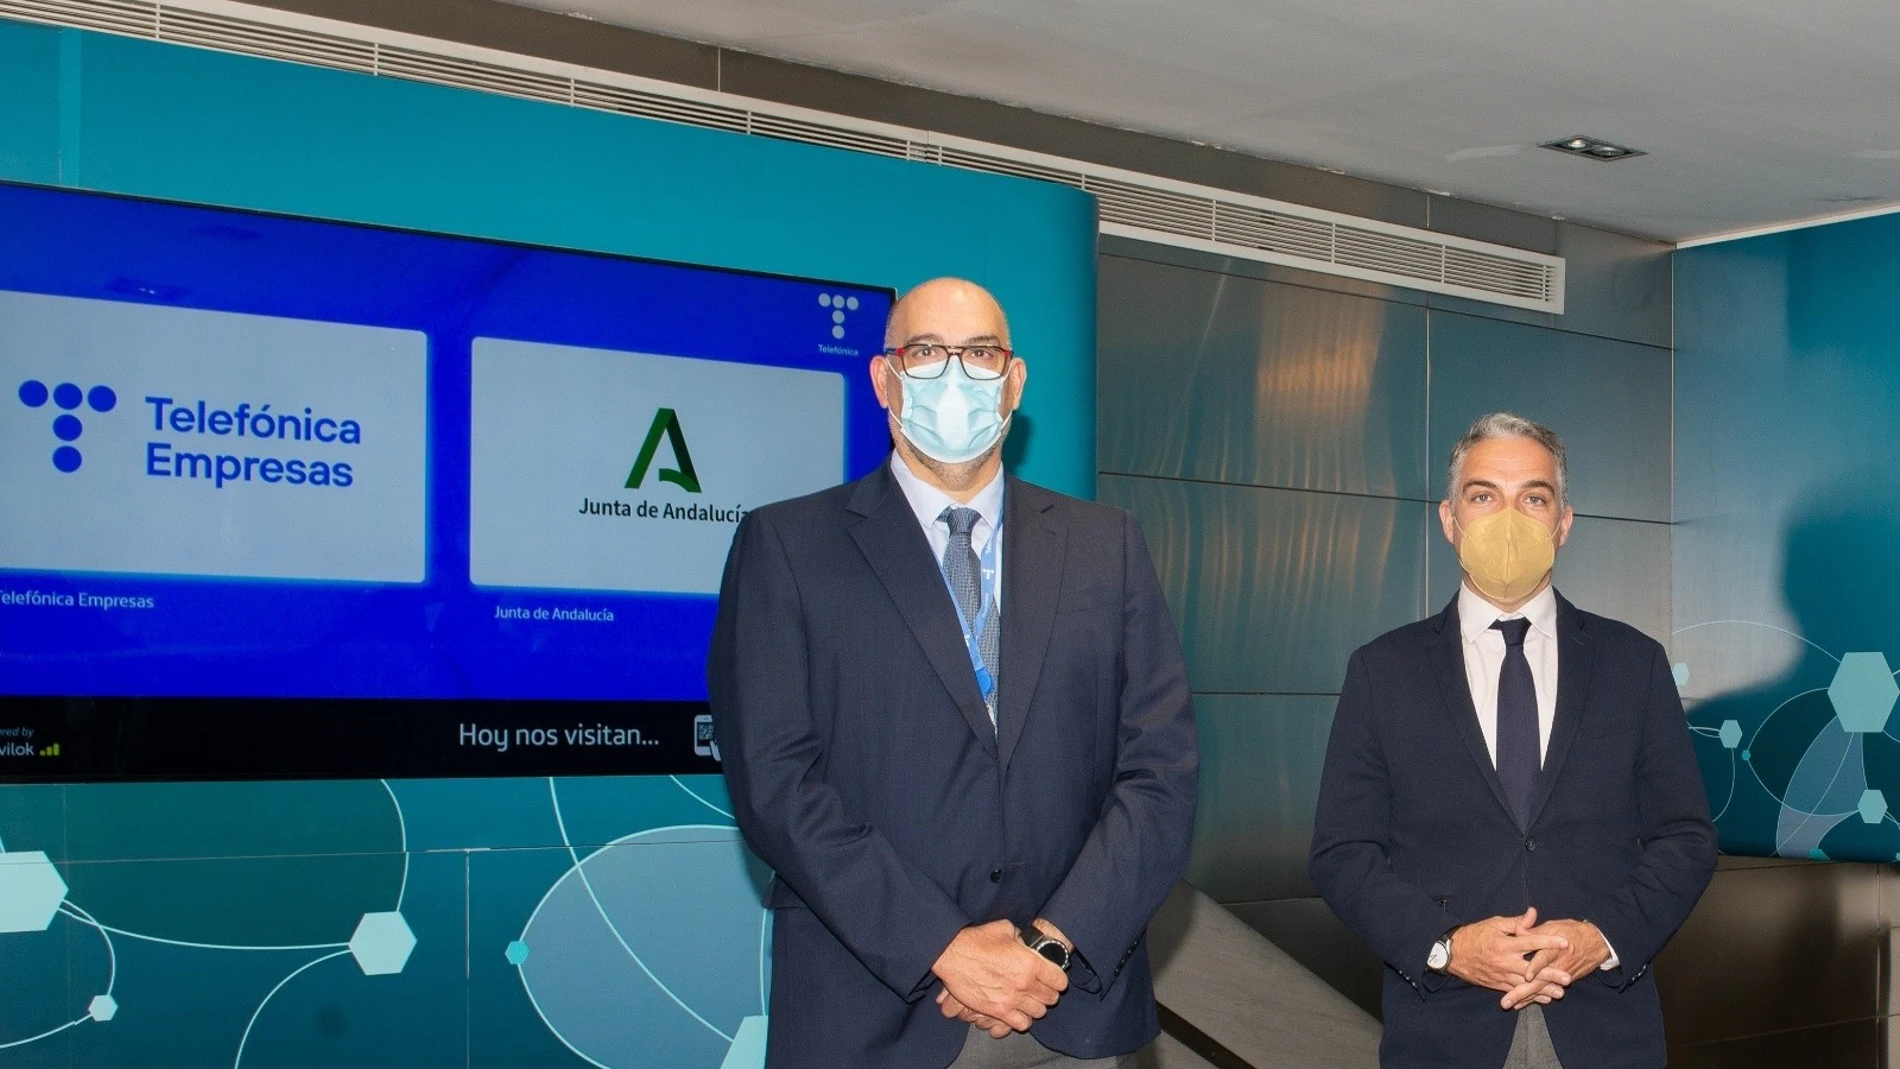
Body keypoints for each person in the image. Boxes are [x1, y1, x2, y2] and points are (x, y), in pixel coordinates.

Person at [710, 278, 1198, 1069]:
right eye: (927, 352)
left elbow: (1161, 769)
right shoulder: (789, 548)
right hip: (869, 1012)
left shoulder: (1106, 545)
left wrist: (1052, 943)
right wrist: (942, 944)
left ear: (1014, 379)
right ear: (883, 376)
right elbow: (775, 782)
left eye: (979, 353)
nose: (955, 374)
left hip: (1067, 1007)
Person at [1309, 412, 1716, 1069]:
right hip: (1444, 1031)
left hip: (1605, 1027)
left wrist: (1601, 937)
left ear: (1563, 522)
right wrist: (1446, 946)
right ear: (1449, 519)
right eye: (1483, 495)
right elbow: (1341, 851)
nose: (1508, 518)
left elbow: (1686, 836)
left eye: (1533, 497)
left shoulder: (1632, 663)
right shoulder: (1382, 671)